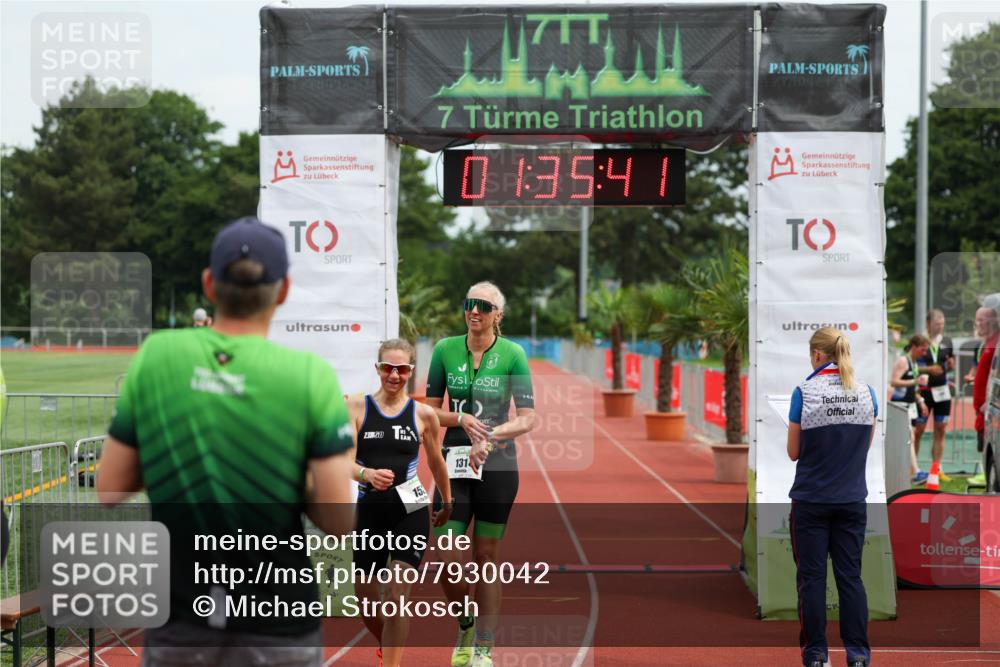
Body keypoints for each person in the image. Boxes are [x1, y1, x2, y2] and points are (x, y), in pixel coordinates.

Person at [97, 217, 356, 667]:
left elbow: (110, 487)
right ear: (284, 290)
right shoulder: (310, 375)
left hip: (181, 612)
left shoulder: (157, 356)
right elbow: (337, 518)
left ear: (209, 284)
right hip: (279, 616)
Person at [424, 281, 538, 667]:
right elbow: (428, 412)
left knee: (487, 555)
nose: (475, 311)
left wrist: (490, 435)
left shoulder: (513, 354)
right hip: (452, 466)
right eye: (470, 303)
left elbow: (528, 418)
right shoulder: (444, 349)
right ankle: (466, 623)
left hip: (499, 466)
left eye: (484, 306)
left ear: (497, 315)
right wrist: (460, 418)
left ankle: (485, 647)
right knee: (446, 554)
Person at [347, 338, 452, 667]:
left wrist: (446, 502)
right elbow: (343, 462)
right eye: (388, 368)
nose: (395, 375)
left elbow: (436, 463)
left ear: (411, 371)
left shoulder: (423, 415)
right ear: (378, 369)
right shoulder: (355, 408)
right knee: (366, 602)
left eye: (402, 369)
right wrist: (366, 475)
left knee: (395, 597)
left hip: (412, 509)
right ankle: (387, 645)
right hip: (370, 512)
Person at [787, 327, 877, 667]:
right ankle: (857, 655)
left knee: (812, 580)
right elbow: (863, 447)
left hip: (811, 501)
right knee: (850, 578)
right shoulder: (867, 393)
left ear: (816, 355)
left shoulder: (804, 392)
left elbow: (793, 452)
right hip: (852, 500)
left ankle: (815, 655)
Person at [913, 309, 954, 482]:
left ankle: (936, 470)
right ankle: (913, 470)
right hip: (924, 392)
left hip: (942, 392)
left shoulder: (947, 341)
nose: (941, 326)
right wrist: (928, 369)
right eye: (938, 323)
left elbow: (950, 365)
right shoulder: (920, 340)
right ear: (928, 324)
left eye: (943, 323)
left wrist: (950, 365)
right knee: (918, 431)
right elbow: (911, 364)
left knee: (941, 430)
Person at [889, 334, 930, 483]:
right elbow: (893, 382)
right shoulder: (903, 361)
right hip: (900, 405)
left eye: (926, 351)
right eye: (922, 350)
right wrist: (914, 381)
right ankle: (915, 472)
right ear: (913, 347)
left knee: (909, 438)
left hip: (911, 405)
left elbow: (914, 387)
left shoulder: (914, 363)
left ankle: (910, 472)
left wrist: (921, 401)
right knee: (908, 438)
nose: (924, 353)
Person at [972, 305, 999, 458]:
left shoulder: (996, 343)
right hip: (983, 411)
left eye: (980, 320)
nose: (977, 324)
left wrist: (990, 399)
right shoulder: (987, 344)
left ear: (991, 322)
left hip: (990, 408)